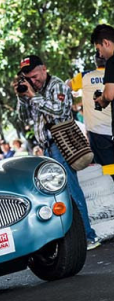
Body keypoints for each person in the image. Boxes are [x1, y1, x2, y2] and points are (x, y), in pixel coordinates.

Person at [13, 54, 100, 250]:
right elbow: (23, 117)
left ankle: (88, 235)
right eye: (28, 78)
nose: (32, 80)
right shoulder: (32, 91)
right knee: (56, 194)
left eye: (34, 76)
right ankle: (72, 238)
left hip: (61, 144)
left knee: (71, 190)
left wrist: (34, 96)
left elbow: (59, 111)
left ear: (44, 69)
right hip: (45, 147)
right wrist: (22, 97)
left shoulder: (57, 85)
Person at [68, 51, 114, 166]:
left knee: (109, 167)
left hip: (98, 132)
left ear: (96, 61)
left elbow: (67, 86)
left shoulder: (84, 77)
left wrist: (79, 92)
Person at [91, 24, 114, 155]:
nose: (100, 54)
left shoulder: (111, 61)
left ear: (106, 43)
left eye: (99, 49)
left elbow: (110, 94)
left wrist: (102, 99)